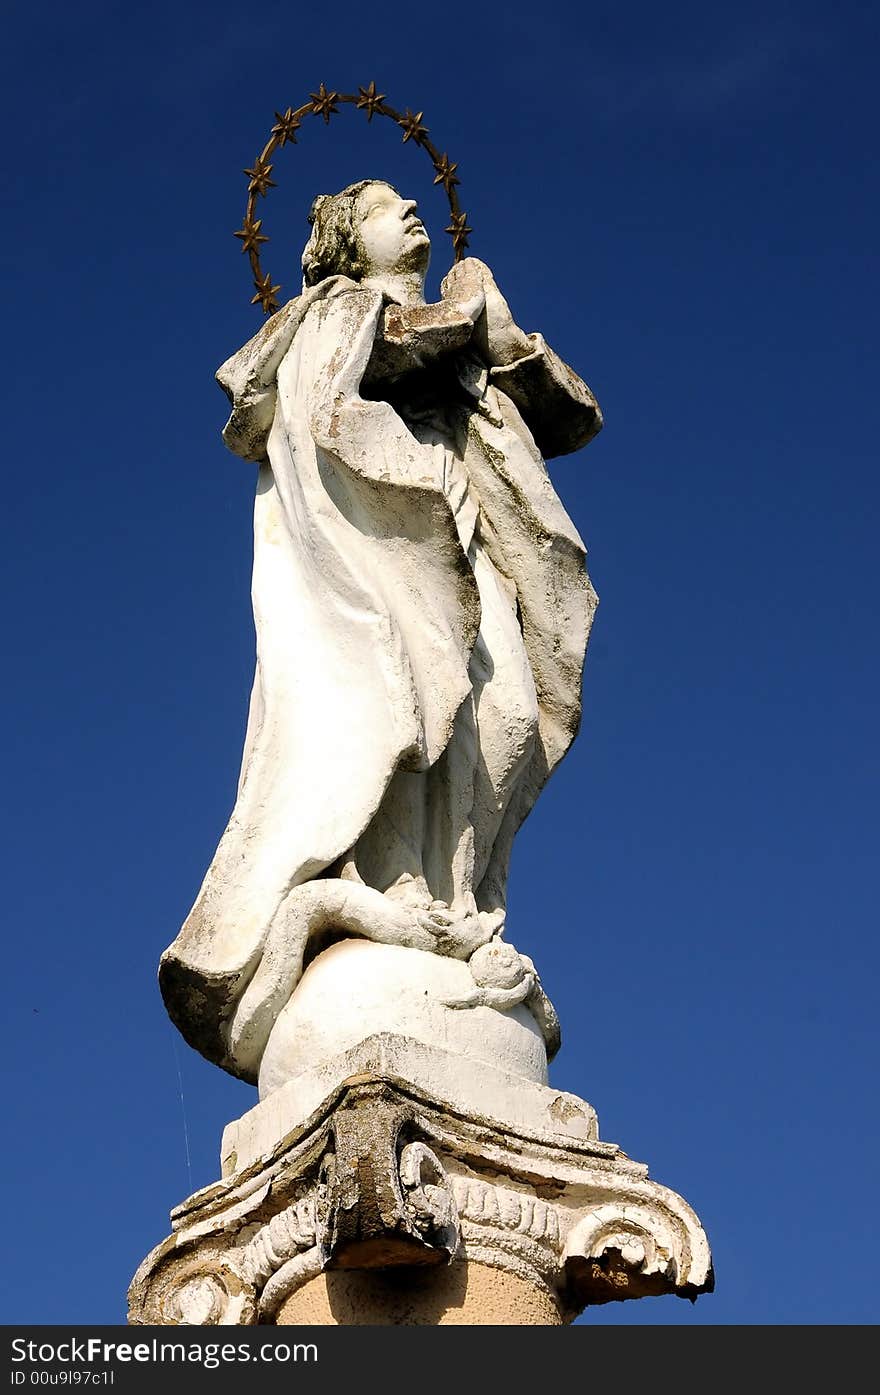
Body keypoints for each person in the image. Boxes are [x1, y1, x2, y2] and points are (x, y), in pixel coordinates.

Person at [160, 179, 603, 1084]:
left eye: (417, 207)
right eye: (388, 210)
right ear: (345, 241)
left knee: (508, 716)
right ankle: (388, 898)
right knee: (405, 718)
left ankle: (462, 899)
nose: (416, 218)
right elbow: (355, 384)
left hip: (463, 528)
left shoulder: (453, 315)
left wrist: (501, 334)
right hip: (387, 544)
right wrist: (464, 313)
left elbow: (575, 415)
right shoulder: (337, 311)